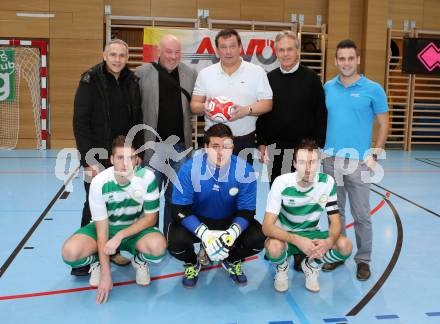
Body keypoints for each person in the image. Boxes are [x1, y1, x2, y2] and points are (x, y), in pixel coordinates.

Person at [61, 136, 167, 304]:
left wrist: (120, 236)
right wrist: (106, 274)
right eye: (120, 158)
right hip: (105, 229)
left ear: (137, 159)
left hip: (134, 230)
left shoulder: (147, 178)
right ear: (111, 159)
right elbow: (102, 230)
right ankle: (96, 261)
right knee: (70, 252)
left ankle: (139, 261)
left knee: (159, 249)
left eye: (130, 158)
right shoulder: (99, 183)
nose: (125, 164)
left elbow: (151, 218)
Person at [72, 39, 143, 275]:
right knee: (92, 206)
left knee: (122, 204)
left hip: (125, 155)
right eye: (113, 54)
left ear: (127, 58)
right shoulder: (89, 80)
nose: (117, 59)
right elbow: (80, 123)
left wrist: (137, 153)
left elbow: (138, 120)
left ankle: (115, 251)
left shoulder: (133, 81)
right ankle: (87, 258)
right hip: (98, 155)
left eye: (122, 55)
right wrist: (88, 160)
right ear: (104, 55)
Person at [322, 39, 389, 280]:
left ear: (358, 59)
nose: (346, 63)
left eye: (351, 58)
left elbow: (383, 123)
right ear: (336, 61)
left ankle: (363, 259)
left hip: (359, 162)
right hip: (329, 160)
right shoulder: (328, 87)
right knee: (335, 214)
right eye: (342, 58)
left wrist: (375, 153)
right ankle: (339, 254)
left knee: (361, 215)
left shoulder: (373, 89)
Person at [167, 124, 266, 288]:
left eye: (226, 146)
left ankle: (231, 259)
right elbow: (178, 210)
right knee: (175, 243)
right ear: (206, 148)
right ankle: (193, 262)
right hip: (198, 220)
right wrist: (204, 234)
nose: (221, 152)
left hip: (230, 220)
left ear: (232, 147)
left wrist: (232, 234)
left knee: (258, 239)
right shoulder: (189, 169)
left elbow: (248, 211)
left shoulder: (245, 170)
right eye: (215, 147)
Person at [262, 139, 352, 293]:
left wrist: (329, 241)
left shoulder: (327, 182)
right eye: (303, 162)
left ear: (319, 162)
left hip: (312, 233)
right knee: (273, 248)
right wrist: (296, 240)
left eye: (313, 162)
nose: (308, 168)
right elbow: (267, 227)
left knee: (345, 246)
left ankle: (312, 265)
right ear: (295, 163)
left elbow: (335, 221)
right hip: (286, 235)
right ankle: (282, 266)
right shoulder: (282, 183)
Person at [135, 34, 197, 234]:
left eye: (177, 52)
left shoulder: (190, 74)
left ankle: (171, 237)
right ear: (159, 51)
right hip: (151, 149)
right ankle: (150, 240)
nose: (173, 56)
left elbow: (197, 107)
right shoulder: (141, 73)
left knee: (176, 197)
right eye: (169, 51)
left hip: (180, 149)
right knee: (150, 196)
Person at [190, 29, 273, 164]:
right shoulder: (205, 74)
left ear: (240, 48)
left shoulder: (257, 72)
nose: (228, 52)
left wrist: (246, 110)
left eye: (232, 46)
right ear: (217, 50)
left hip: (244, 141)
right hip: (214, 141)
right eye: (223, 47)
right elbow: (194, 106)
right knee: (212, 183)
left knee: (241, 183)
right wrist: (204, 107)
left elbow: (267, 103)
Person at [256, 31, 327, 185]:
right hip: (275, 149)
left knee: (304, 197)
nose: (286, 54)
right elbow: (262, 114)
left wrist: (316, 146)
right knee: (278, 195)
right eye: (281, 50)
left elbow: (321, 113)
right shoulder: (269, 79)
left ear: (297, 51)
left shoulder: (312, 79)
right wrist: (261, 142)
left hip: (304, 151)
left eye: (290, 49)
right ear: (276, 53)